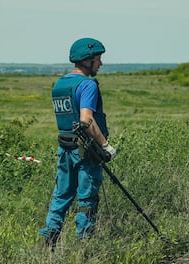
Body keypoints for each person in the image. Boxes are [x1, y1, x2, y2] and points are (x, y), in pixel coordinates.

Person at [39, 37, 117, 248]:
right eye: (97, 59)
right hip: (85, 151)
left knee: (61, 196)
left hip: (64, 148)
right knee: (87, 199)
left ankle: (48, 242)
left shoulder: (60, 84)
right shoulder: (87, 84)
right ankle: (85, 246)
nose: (100, 64)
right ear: (86, 60)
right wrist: (106, 146)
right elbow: (87, 120)